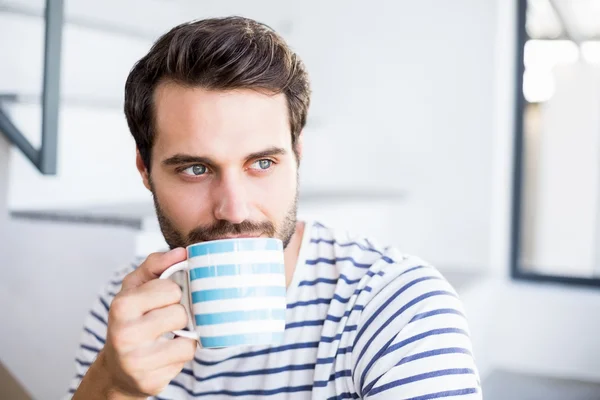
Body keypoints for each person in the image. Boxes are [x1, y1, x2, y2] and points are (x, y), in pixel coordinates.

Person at [68, 16, 482, 399]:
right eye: (196, 168)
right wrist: (114, 385)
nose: (233, 208)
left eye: (262, 164)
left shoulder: (397, 306)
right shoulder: (125, 310)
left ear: (297, 156)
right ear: (145, 170)